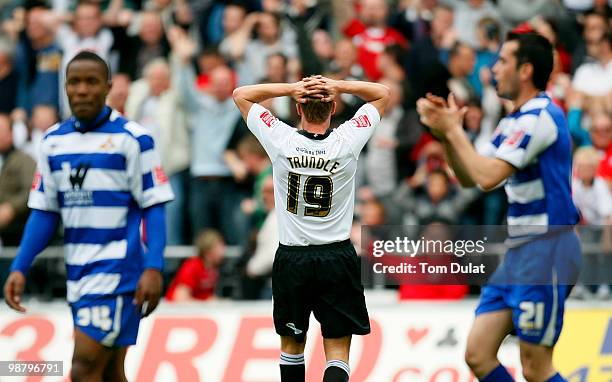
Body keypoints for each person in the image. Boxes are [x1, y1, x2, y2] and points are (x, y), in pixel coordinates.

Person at [417, 32, 581, 382]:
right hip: (520, 251)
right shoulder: (511, 121)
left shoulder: (540, 117)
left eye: (503, 60)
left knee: (536, 368)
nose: (494, 68)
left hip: (547, 248)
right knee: (478, 353)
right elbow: (466, 176)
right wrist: (447, 135)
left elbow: (488, 176)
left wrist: (454, 131)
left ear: (525, 70)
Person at [3, 51, 174, 382]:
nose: (82, 90)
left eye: (91, 82)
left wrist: (154, 267)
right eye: (74, 82)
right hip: (79, 272)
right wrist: (20, 266)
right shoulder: (53, 141)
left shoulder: (133, 139)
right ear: (65, 87)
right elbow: (44, 212)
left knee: (82, 367)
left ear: (107, 87)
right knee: (109, 373)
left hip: (118, 270)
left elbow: (154, 206)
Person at [233, 76, 390, 382]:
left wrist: (290, 87)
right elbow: (382, 93)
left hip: (293, 258)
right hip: (337, 257)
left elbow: (241, 95)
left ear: (297, 108)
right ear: (334, 107)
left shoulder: (280, 139)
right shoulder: (347, 140)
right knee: (337, 349)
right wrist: (339, 85)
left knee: (292, 346)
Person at [165, 229, 225, 302]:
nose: (223, 250)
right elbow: (180, 298)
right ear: (207, 252)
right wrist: (206, 304)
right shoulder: (193, 266)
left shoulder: (213, 267)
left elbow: (206, 297)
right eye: (219, 246)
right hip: (177, 310)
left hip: (197, 309)